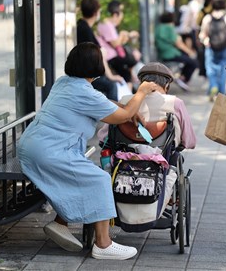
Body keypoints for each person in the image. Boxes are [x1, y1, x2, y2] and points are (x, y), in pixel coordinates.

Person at [17, 43, 158, 260]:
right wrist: (141, 92)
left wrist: (124, 109)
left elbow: (103, 104)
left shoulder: (66, 83)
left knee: (82, 175)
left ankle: (60, 223)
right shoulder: (82, 91)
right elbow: (120, 114)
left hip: (34, 146)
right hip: (49, 151)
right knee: (99, 179)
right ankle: (103, 244)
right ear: (96, 66)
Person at [98, 62, 196, 150]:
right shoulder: (175, 102)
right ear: (166, 86)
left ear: (141, 83)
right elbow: (189, 141)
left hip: (125, 153)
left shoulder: (125, 100)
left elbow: (103, 137)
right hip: (164, 154)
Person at [77, 0, 124, 101]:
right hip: (86, 75)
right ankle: (113, 115)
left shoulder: (82, 26)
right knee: (111, 86)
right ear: (95, 12)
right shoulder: (85, 30)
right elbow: (99, 54)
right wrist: (110, 76)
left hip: (86, 73)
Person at [199, 0, 226, 101]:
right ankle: (221, 92)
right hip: (225, 47)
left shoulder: (207, 18)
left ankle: (213, 86)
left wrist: (206, 42)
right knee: (224, 69)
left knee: (210, 69)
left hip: (211, 47)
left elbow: (202, 34)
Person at [97, 0, 139, 86]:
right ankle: (129, 95)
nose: (122, 15)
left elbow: (118, 42)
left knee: (130, 64)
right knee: (129, 66)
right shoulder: (106, 24)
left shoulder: (109, 24)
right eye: (121, 11)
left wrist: (126, 35)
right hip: (110, 56)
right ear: (115, 14)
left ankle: (130, 89)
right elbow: (115, 43)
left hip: (112, 55)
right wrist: (122, 34)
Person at [155, 12, 198, 91]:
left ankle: (180, 78)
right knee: (193, 62)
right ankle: (183, 78)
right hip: (171, 54)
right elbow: (178, 43)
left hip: (163, 54)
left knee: (187, 59)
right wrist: (190, 52)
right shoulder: (169, 28)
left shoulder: (158, 28)